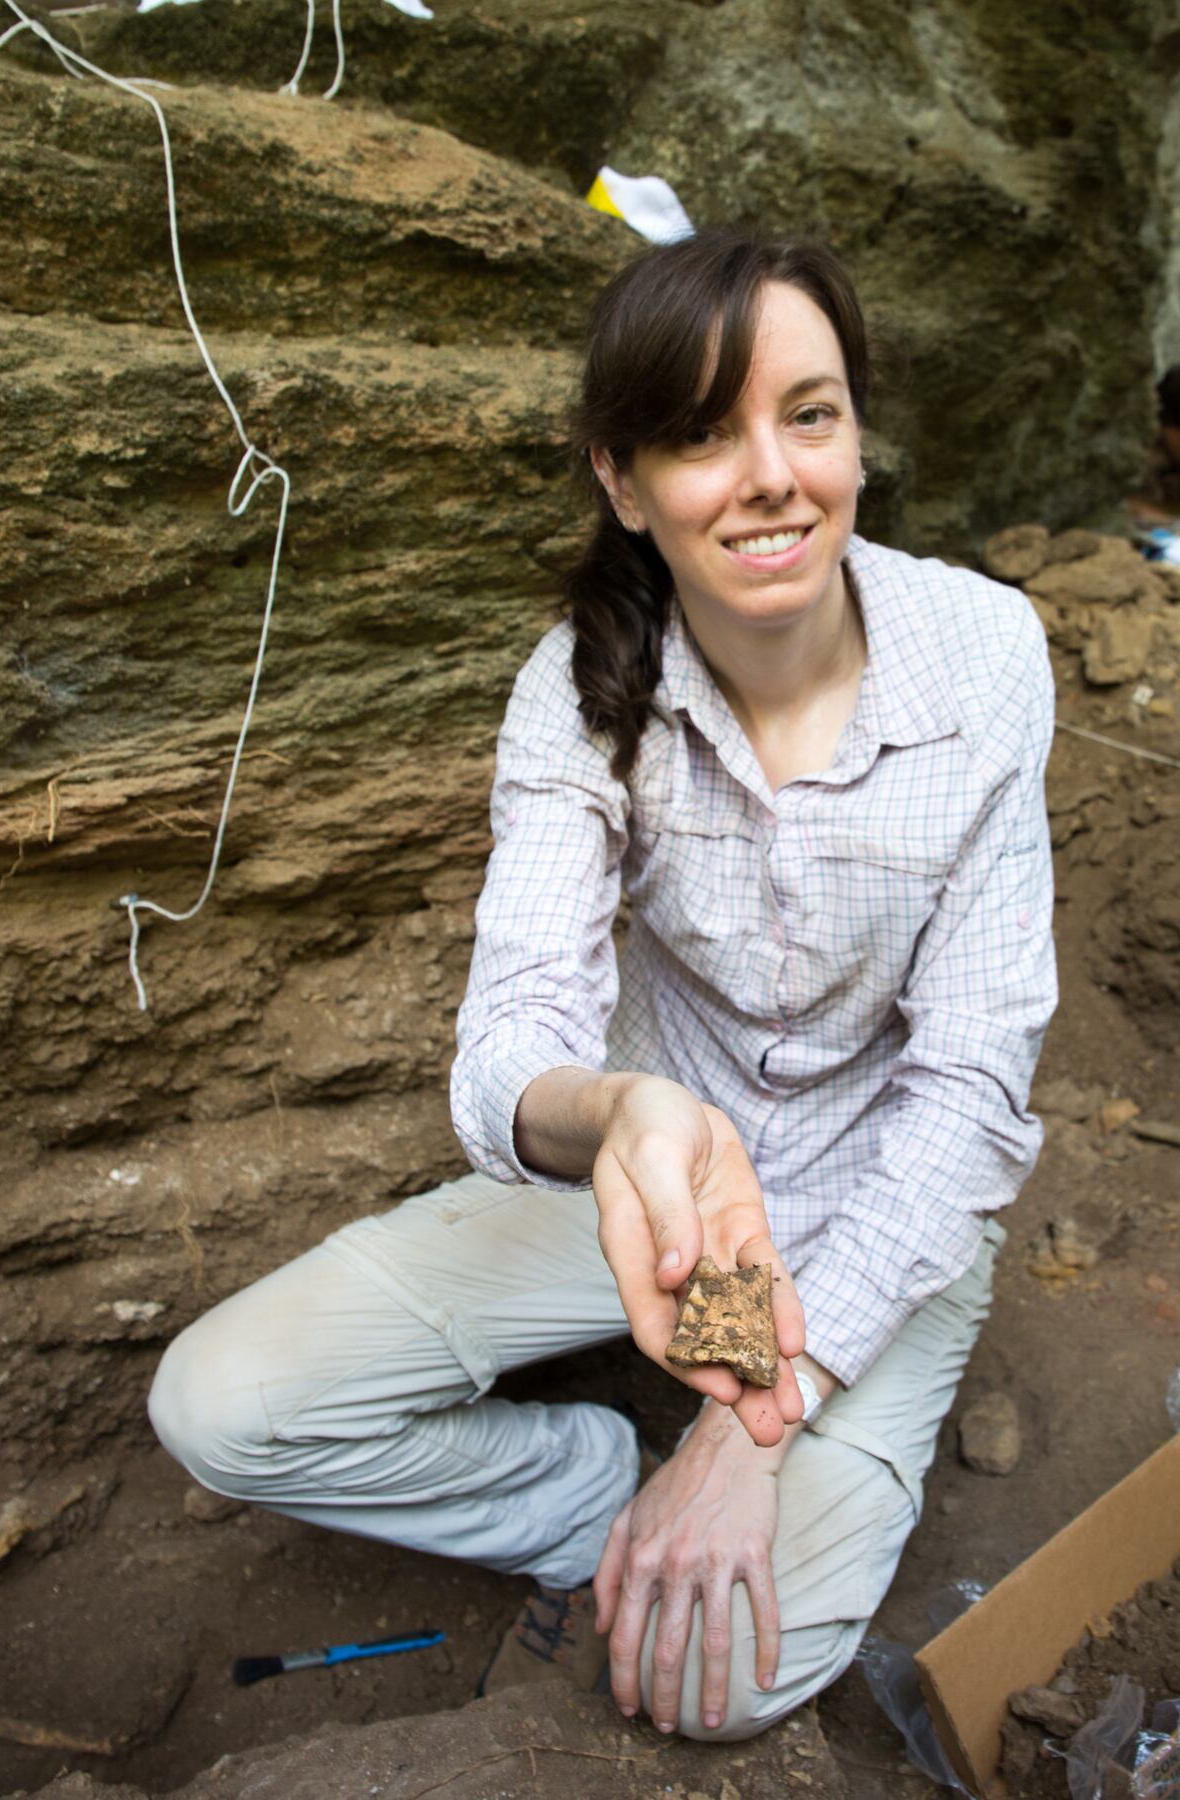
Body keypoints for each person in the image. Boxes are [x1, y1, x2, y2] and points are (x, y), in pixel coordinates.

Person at [148, 228, 1057, 1744]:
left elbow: (969, 1088)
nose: (770, 475)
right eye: (702, 434)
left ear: (857, 434)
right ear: (625, 484)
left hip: (879, 1202)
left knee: (725, 1679)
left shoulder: (984, 659)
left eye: (809, 414)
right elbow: (509, 1044)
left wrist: (751, 1427)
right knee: (225, 1405)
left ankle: (718, 1467)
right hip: (655, 1201)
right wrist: (626, 1112)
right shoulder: (578, 688)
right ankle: (588, 1484)